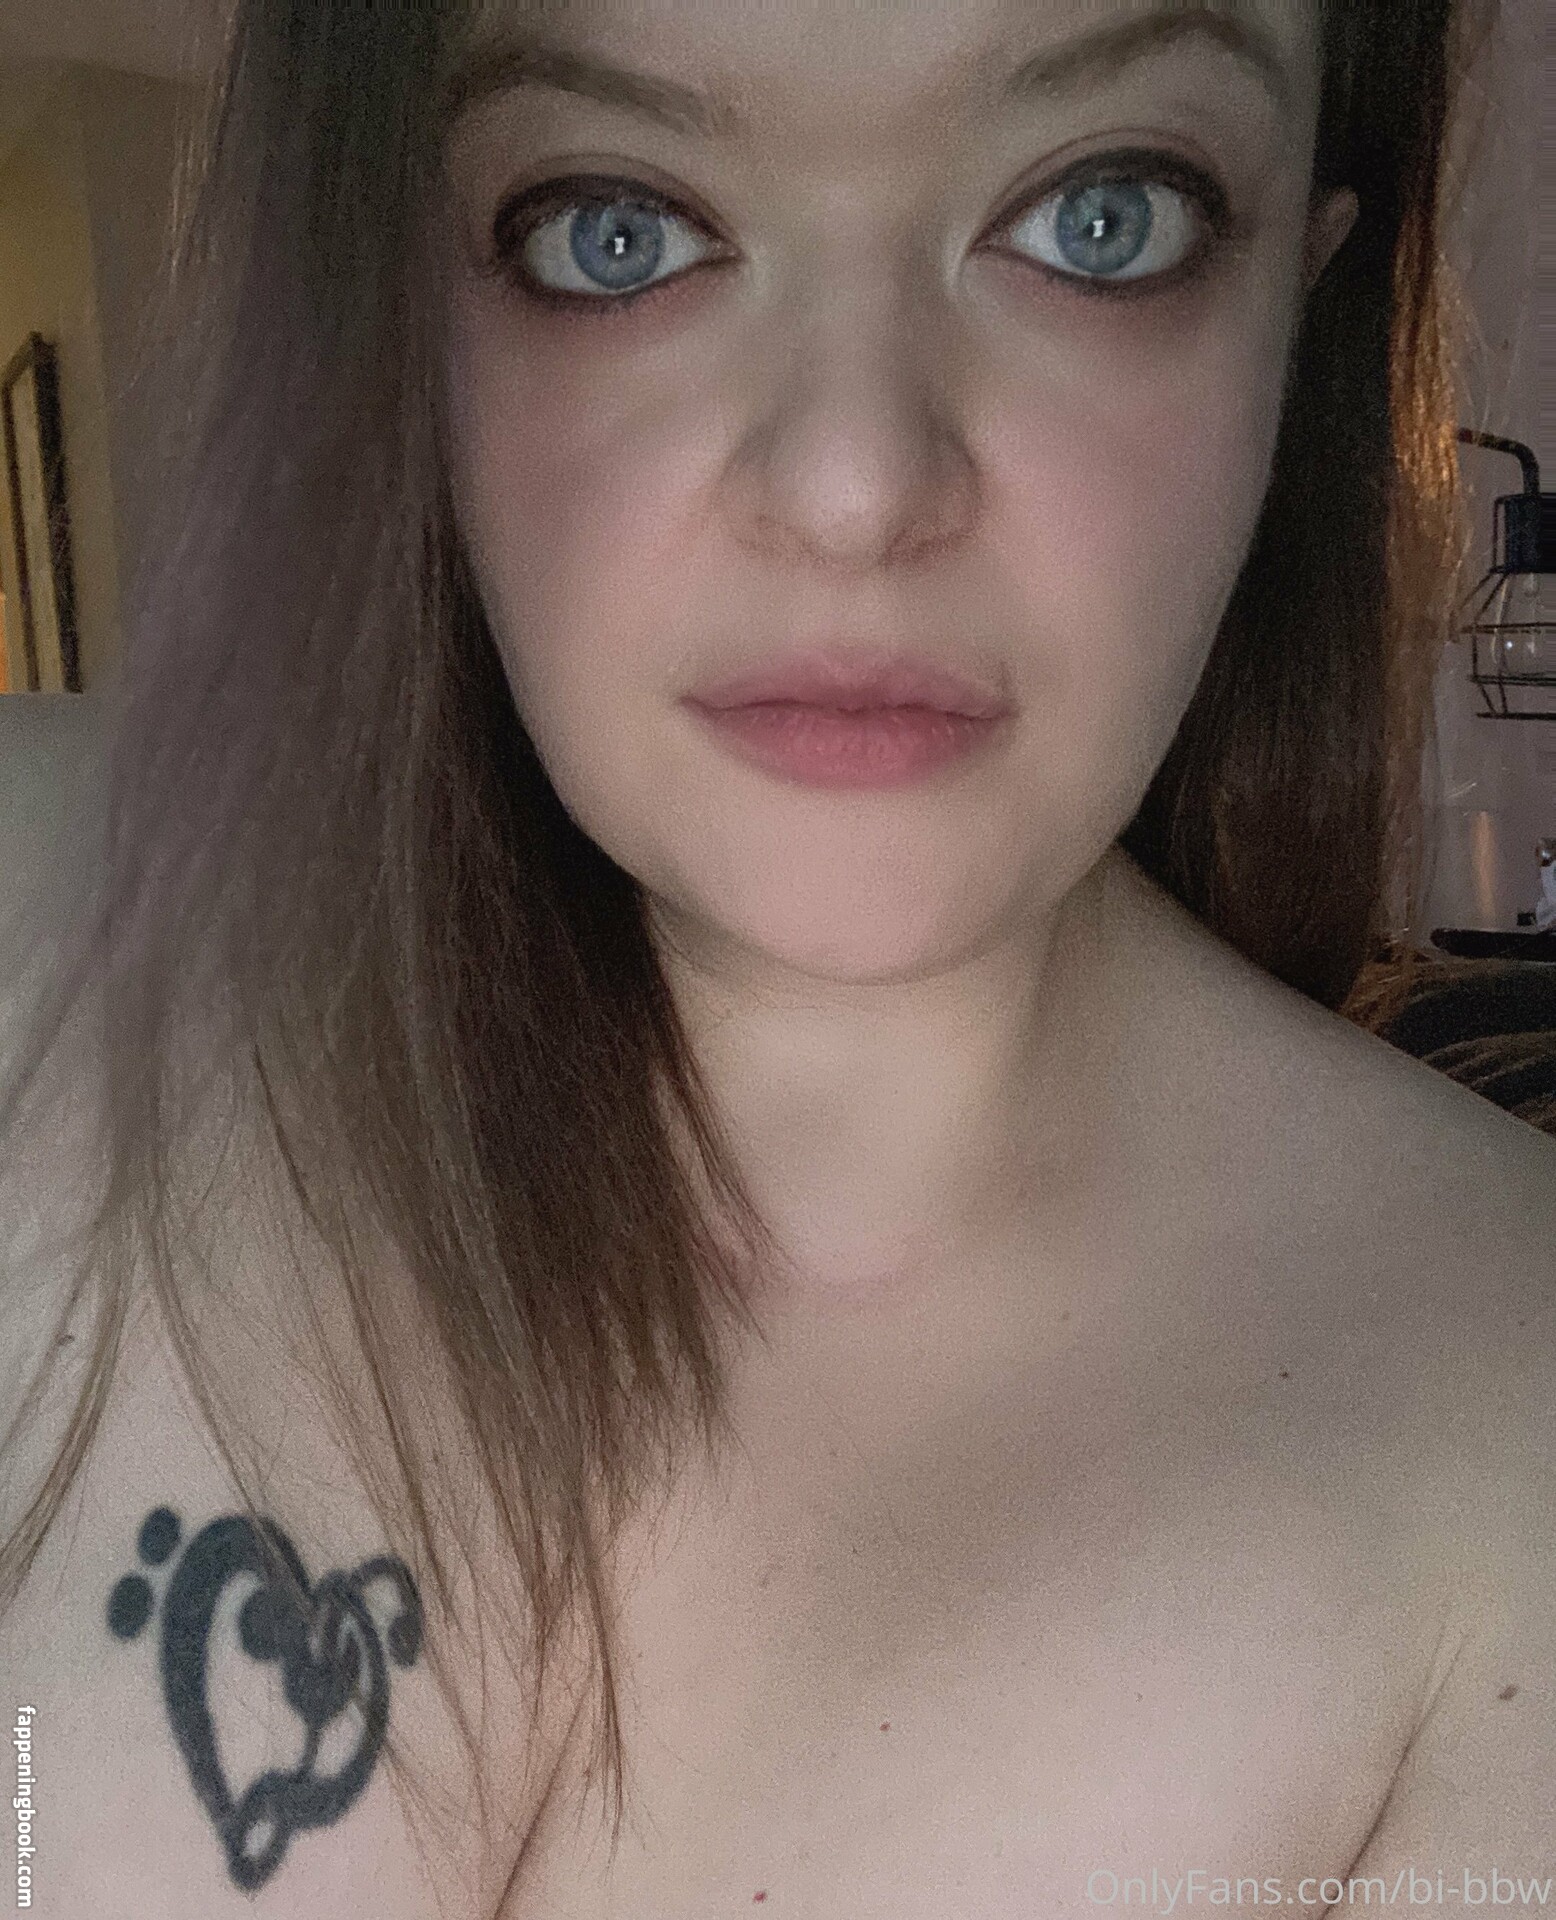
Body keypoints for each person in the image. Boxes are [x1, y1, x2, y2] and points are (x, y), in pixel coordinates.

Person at [0, 1, 1551, 1914]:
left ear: (1296, 302)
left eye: (1103, 219)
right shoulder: (34, 924)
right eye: (615, 231)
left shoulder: (1511, 1447)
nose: (853, 489)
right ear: (401, 301)